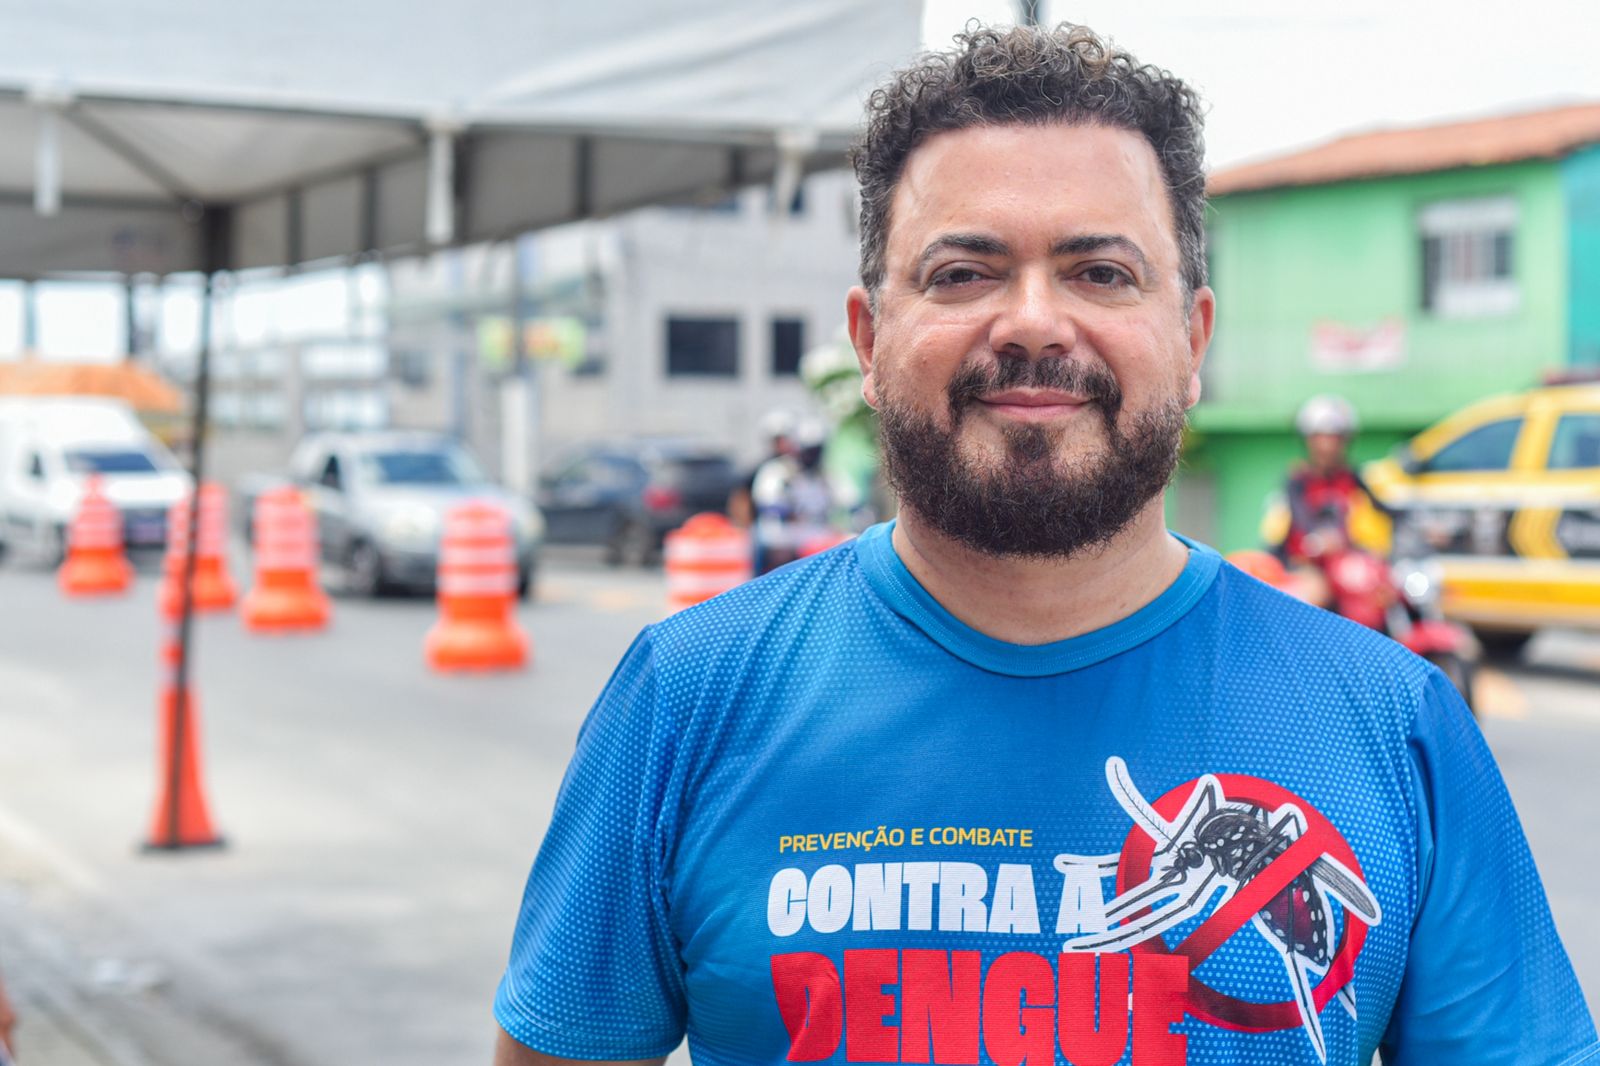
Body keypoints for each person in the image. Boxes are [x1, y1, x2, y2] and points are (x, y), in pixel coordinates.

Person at [493, 24, 1596, 1066]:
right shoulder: (686, 699)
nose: (1031, 321)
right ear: (869, 343)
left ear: (1191, 337)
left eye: (1100, 272)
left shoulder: (1390, 723)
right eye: (962, 273)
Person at [1277, 394, 1396, 606]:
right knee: (1312, 597)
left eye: (1335, 438)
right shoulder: (1298, 480)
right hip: (1307, 565)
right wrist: (1318, 538)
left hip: (1348, 560)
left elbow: (1383, 510)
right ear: (1309, 441)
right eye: (1320, 438)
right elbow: (1299, 520)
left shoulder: (1353, 478)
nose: (1327, 446)